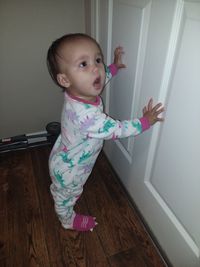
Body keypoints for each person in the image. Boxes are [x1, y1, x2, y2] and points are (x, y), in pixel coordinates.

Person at [46, 33, 164, 232]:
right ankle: (66, 219)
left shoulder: (77, 93)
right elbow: (117, 129)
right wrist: (145, 122)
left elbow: (99, 78)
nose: (95, 68)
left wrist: (114, 67)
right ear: (65, 79)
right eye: (83, 64)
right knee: (68, 195)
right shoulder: (87, 117)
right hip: (72, 170)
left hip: (64, 155)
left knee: (61, 190)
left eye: (98, 60)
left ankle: (57, 191)